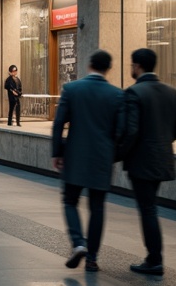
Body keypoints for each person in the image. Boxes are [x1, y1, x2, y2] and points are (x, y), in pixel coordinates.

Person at [51, 50, 125, 273]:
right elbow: (121, 132)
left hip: (75, 156)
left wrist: (57, 152)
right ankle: (92, 258)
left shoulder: (72, 89)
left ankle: (78, 242)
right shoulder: (117, 95)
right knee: (97, 207)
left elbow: (58, 123)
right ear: (108, 69)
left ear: (89, 65)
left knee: (70, 201)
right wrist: (112, 155)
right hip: (102, 158)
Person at [121, 48, 176, 276]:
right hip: (162, 159)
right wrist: (163, 142)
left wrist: (118, 154)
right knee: (150, 207)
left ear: (137, 66)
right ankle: (153, 257)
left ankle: (154, 259)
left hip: (141, 162)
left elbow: (130, 131)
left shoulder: (134, 93)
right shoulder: (171, 92)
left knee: (147, 209)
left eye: (131, 64)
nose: (131, 68)